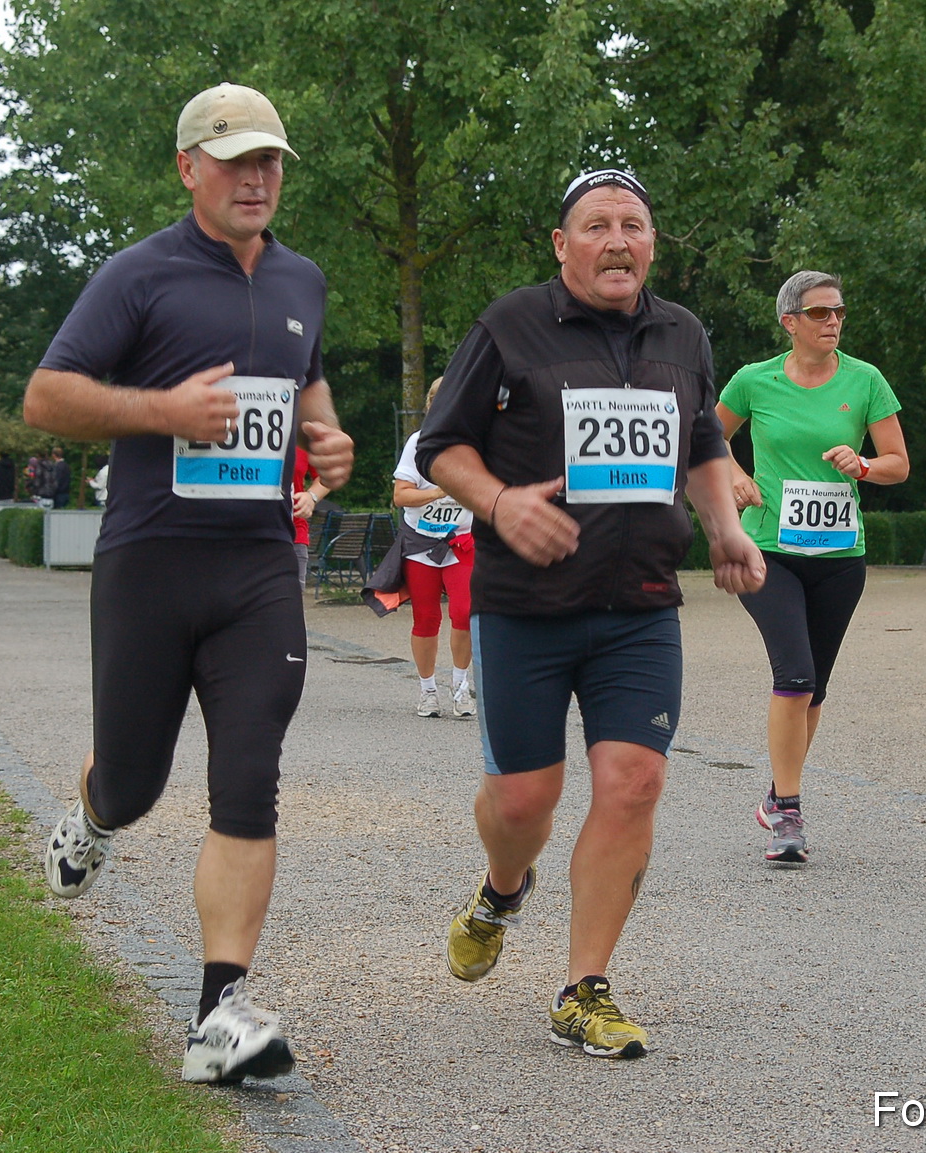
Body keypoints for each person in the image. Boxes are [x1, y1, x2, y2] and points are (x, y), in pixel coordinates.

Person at [23, 82, 354, 1086]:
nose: (257, 177)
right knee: (136, 779)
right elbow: (47, 396)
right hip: (150, 563)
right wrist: (162, 409)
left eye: (271, 161)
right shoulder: (141, 275)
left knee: (249, 772)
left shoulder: (303, 279)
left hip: (256, 566)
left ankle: (219, 1013)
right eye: (235, 159)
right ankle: (93, 815)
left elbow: (306, 377)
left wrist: (325, 437)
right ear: (188, 169)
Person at [415, 169, 765, 1059]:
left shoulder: (682, 333)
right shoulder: (508, 325)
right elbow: (442, 445)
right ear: (562, 245)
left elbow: (704, 441)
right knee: (525, 798)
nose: (618, 239)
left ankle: (585, 987)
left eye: (634, 225)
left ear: (652, 243)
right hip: (526, 607)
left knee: (635, 783)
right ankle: (501, 888)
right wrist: (499, 503)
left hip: (641, 607)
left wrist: (725, 528)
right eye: (597, 225)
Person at [717, 270, 909, 864]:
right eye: (821, 313)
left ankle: (778, 795)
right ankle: (790, 818)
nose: (834, 322)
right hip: (769, 549)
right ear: (790, 322)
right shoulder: (755, 380)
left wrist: (864, 466)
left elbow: (899, 464)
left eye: (840, 313)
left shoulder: (865, 380)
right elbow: (704, 437)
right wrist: (735, 475)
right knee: (794, 674)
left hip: (840, 558)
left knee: (815, 689)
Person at [393, 377, 476, 718]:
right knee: (425, 618)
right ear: (432, 407)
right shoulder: (419, 443)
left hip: (462, 541)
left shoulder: (477, 442)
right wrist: (439, 491)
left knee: (464, 613)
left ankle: (460, 688)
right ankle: (428, 691)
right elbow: (400, 496)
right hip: (422, 541)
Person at [290, 451, 327, 588]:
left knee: (289, 604)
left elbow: (326, 475)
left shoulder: (300, 437)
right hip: (242, 536)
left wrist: (311, 496)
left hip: (293, 534)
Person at [49, 445, 73, 509]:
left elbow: (57, 480)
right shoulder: (66, 465)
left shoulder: (58, 466)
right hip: (66, 492)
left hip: (59, 494)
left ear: (54, 455)